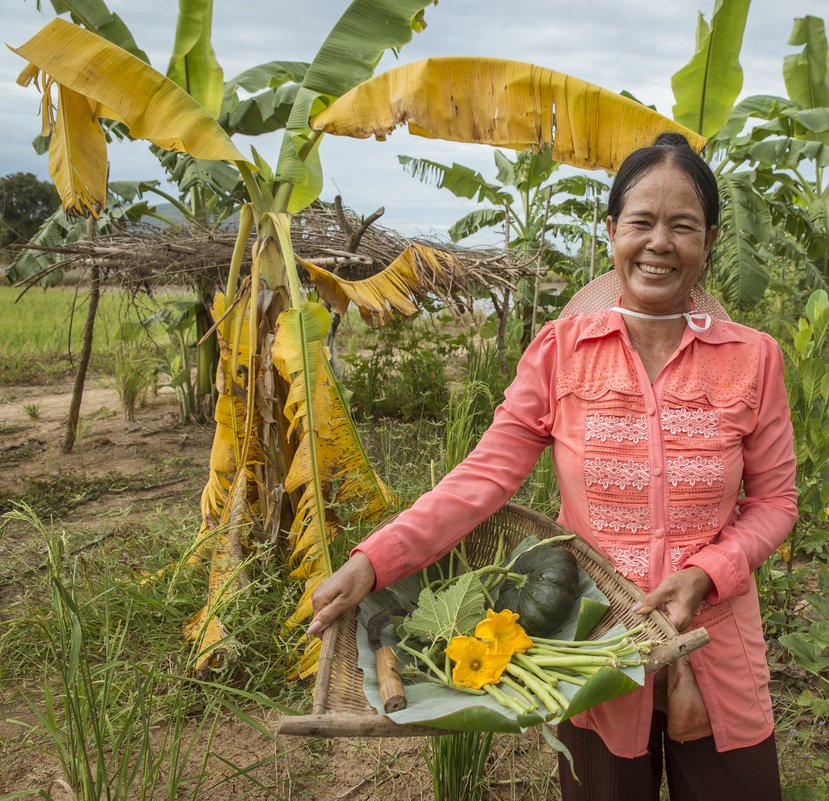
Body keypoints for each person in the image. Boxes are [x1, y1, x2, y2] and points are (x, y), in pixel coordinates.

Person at [307, 131, 798, 800]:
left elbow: (775, 503)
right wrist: (377, 558)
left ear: (708, 238)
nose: (659, 242)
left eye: (682, 226)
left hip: (718, 646)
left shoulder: (754, 357)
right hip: (590, 644)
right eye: (641, 222)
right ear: (611, 231)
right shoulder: (562, 351)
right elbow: (485, 477)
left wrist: (705, 574)